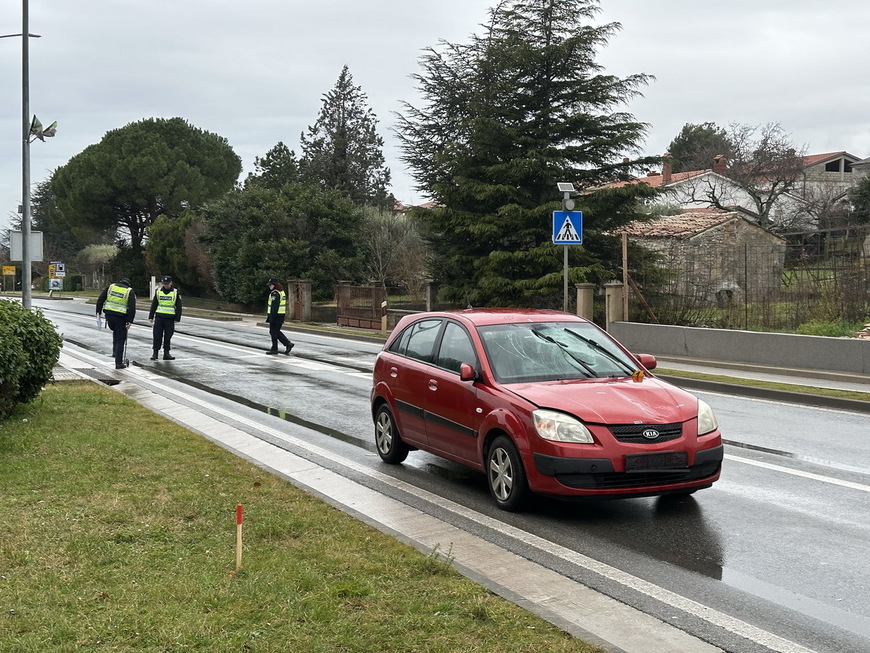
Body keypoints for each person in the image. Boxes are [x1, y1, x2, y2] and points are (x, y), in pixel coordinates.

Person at [96, 278, 136, 369]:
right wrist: (129, 321)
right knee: (121, 339)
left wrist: (98, 312)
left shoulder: (111, 287)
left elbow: (100, 299)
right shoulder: (129, 291)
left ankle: (115, 352)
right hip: (121, 318)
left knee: (116, 333)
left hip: (109, 316)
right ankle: (118, 363)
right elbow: (132, 308)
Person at [148, 275, 182, 360]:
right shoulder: (159, 291)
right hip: (159, 317)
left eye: (167, 283)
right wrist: (151, 316)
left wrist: (177, 318)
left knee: (168, 336)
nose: (165, 285)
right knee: (157, 336)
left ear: (171, 283)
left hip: (170, 318)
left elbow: (179, 306)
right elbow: (154, 304)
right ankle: (155, 353)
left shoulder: (175, 292)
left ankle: (166, 353)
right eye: (164, 283)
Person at [265, 278, 294, 355]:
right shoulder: (281, 292)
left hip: (276, 315)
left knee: (273, 332)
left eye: (270, 285)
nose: (269, 286)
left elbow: (274, 307)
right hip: (280, 315)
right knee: (276, 331)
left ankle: (274, 349)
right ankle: (288, 344)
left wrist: (271, 317)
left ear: (274, 285)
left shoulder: (275, 293)